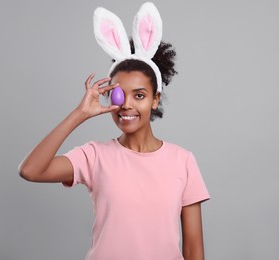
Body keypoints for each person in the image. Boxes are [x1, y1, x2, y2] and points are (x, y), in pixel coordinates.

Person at [19, 2, 209, 260]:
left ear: (155, 99)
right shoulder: (94, 156)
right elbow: (31, 170)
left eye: (139, 95)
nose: (127, 104)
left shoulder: (183, 161)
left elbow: (193, 249)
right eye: (119, 94)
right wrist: (79, 114)